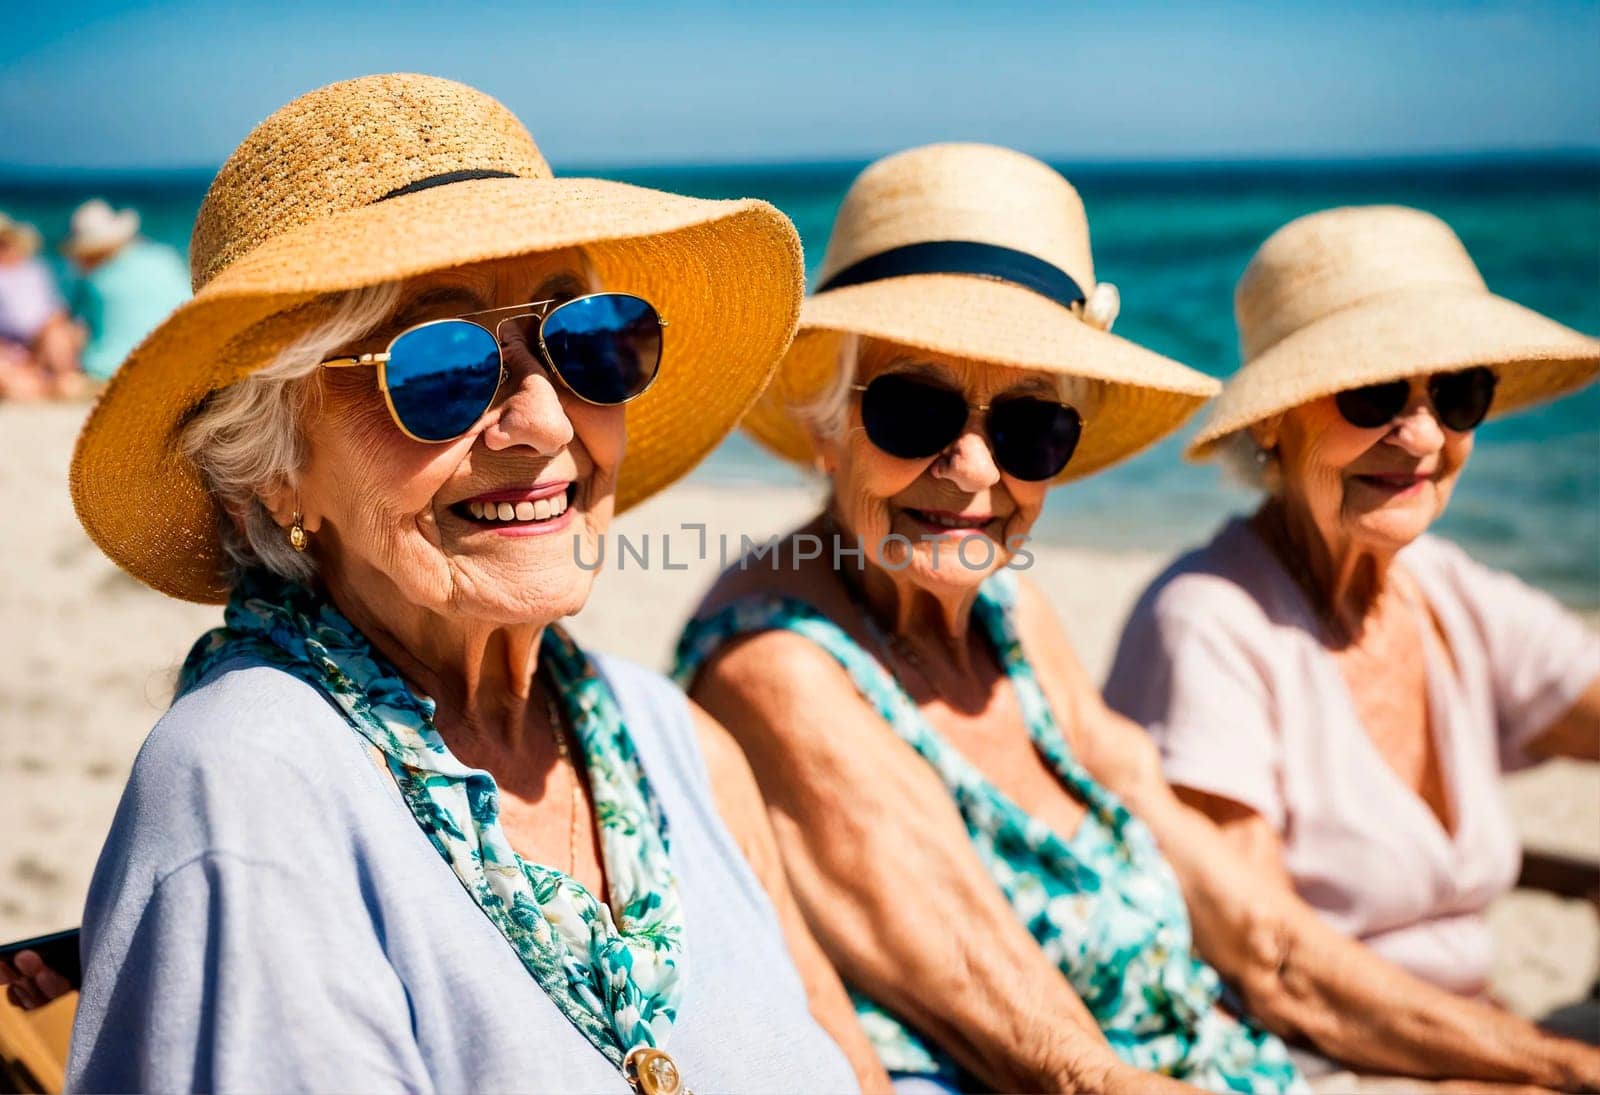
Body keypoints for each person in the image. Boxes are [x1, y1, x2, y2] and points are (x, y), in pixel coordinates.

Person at [673, 145, 1600, 1092]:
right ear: (828, 426)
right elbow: (1059, 1063)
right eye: (916, 411)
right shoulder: (777, 665)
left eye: (1031, 427)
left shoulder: (1010, 618)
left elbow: (1267, 945)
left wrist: (1562, 1063)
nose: (977, 471)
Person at [36, 74, 884, 1093]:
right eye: (439, 368)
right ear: (276, 462)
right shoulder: (251, 786)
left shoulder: (675, 745)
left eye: (585, 341)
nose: (548, 423)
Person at [1106, 206, 1600, 1007]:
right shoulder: (1207, 624)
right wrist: (1540, 1064)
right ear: (1272, 421)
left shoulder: (1442, 588)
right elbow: (1275, 975)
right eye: (1371, 393)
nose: (1422, 436)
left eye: (1457, 391)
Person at [61, 198, 190, 382]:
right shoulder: (166, 257)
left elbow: (69, 325)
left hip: (109, 372)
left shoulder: (94, 280)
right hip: (179, 361)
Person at [0, 212, 82, 399]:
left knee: (57, 334)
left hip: (41, 340)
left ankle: (61, 379)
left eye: (6, 242)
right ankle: (53, 385)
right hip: (8, 347)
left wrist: (47, 329)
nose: (4, 249)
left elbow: (56, 310)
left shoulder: (34, 271)